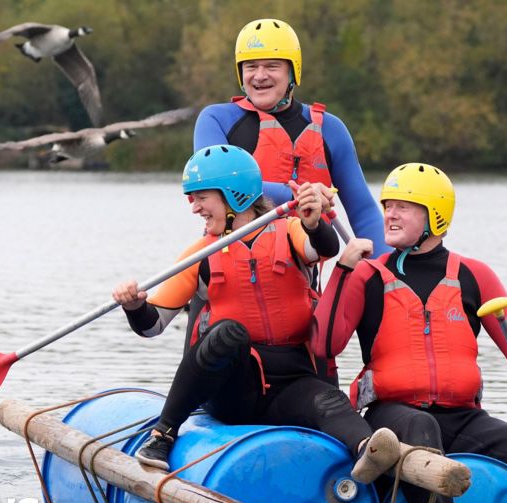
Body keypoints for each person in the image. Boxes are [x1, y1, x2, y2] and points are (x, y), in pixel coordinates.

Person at [312, 163, 507, 503]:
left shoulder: (474, 275)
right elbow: (322, 344)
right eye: (388, 205)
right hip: (395, 417)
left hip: (464, 418)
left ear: (435, 215)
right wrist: (344, 270)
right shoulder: (366, 274)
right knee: (424, 428)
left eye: (404, 206)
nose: (390, 214)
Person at [112, 144, 400, 485]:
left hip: (293, 382)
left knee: (329, 399)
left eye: (201, 197)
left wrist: (313, 222)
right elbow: (152, 325)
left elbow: (324, 247)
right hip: (235, 390)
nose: (194, 208)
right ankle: (163, 435)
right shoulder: (200, 253)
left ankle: (369, 450)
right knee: (228, 332)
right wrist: (134, 306)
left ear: (234, 195)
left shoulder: (291, 230)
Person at [193, 18, 387, 255]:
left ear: (293, 71)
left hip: (301, 273)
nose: (259, 76)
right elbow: (217, 181)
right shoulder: (216, 120)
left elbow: (364, 212)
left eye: (272, 66)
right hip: (229, 264)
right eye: (251, 66)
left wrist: (386, 272)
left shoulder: (331, 130)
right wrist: (299, 194)